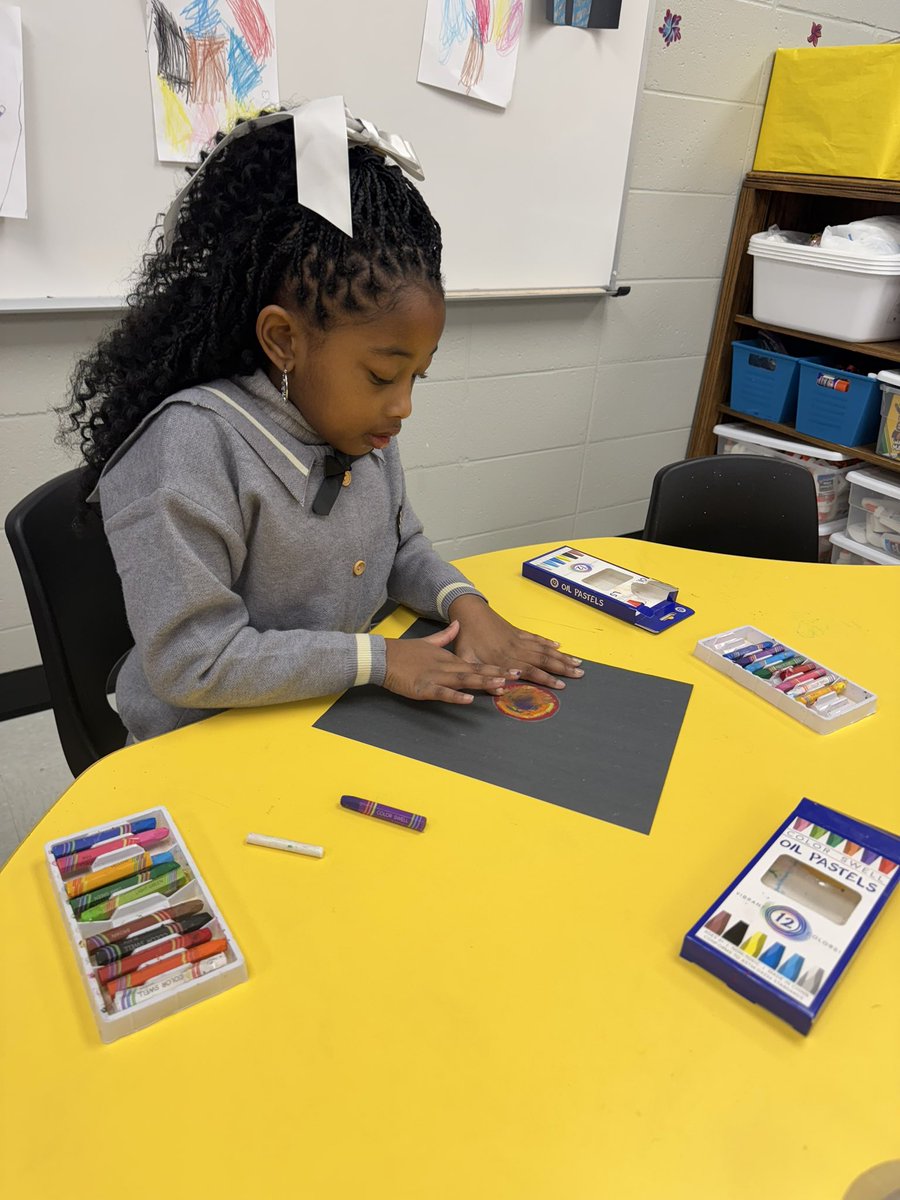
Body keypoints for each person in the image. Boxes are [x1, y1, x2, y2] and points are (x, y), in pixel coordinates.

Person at [60, 107, 582, 743]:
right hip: (202, 744)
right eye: (381, 374)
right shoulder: (191, 449)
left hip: (324, 711)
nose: (402, 407)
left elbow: (402, 546)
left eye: (416, 376)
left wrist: (463, 604)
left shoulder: (359, 429)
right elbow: (194, 660)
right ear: (284, 340)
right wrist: (381, 661)